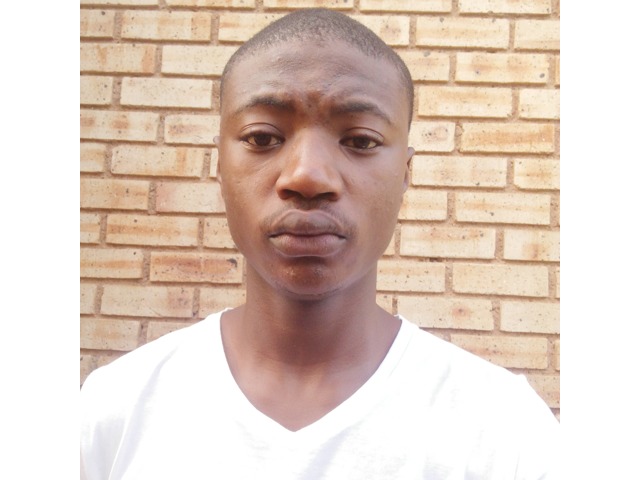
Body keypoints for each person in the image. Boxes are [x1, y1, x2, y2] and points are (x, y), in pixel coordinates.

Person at [80, 8, 559, 479]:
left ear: (405, 173)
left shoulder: (507, 435)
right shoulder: (111, 414)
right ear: (219, 166)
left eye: (361, 141)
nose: (307, 176)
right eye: (263, 137)